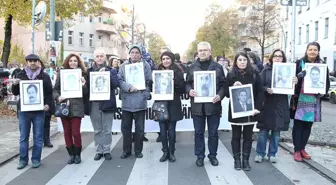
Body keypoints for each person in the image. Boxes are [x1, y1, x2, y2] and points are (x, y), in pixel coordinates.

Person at [186, 42, 226, 167]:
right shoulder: (192, 67)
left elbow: (224, 85)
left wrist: (220, 95)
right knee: (198, 132)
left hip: (213, 106)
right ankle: (200, 156)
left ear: (210, 51)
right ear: (197, 52)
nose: (202, 52)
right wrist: (189, 91)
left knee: (213, 133)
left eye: (205, 50)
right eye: (200, 50)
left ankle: (213, 155)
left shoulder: (218, 67)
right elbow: (186, 83)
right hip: (198, 106)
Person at [255, 49, 298, 163]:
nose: (278, 58)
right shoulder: (265, 71)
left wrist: (295, 81)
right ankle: (260, 153)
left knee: (276, 132)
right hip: (267, 104)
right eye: (275, 56)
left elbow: (292, 90)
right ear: (272, 58)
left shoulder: (288, 71)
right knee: (263, 131)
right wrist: (266, 89)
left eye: (280, 56)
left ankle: (272, 154)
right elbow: (258, 86)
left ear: (283, 58)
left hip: (280, 105)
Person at [12, 54, 53, 169]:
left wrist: (48, 105)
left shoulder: (44, 76)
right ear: (27, 62)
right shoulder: (20, 75)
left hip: (39, 111)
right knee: (23, 136)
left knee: (38, 136)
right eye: (30, 61)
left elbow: (50, 93)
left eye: (35, 60)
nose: (32, 62)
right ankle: (23, 160)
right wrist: (15, 85)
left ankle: (36, 159)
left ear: (38, 62)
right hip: (24, 111)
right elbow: (15, 93)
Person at [291, 42, 330, 162]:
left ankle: (302, 148)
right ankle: (297, 150)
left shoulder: (322, 65)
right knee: (298, 126)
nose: (312, 52)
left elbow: (326, 82)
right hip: (300, 99)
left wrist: (322, 92)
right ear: (306, 50)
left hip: (314, 100)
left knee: (308, 125)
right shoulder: (299, 63)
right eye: (310, 49)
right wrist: (297, 78)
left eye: (315, 50)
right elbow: (292, 79)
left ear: (318, 51)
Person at [226, 51, 264, 171]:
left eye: (244, 60)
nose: (242, 62)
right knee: (235, 136)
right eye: (239, 60)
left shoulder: (254, 74)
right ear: (235, 62)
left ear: (247, 61)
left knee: (248, 137)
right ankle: (237, 160)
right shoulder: (231, 74)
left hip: (250, 112)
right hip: (236, 111)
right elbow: (226, 93)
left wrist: (257, 108)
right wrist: (233, 86)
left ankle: (246, 161)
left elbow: (260, 92)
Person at [118, 45, 152, 159]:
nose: (134, 54)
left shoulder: (145, 65)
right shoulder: (123, 66)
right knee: (126, 128)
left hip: (140, 101)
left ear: (140, 54)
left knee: (140, 129)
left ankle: (138, 150)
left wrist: (145, 94)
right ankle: (126, 150)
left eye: (137, 52)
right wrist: (129, 87)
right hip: (127, 100)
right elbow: (119, 80)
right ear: (129, 54)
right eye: (132, 52)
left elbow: (149, 81)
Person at [53, 53, 88, 164]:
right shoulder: (62, 74)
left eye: (75, 61)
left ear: (78, 62)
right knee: (67, 132)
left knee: (76, 132)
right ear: (67, 62)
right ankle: (71, 155)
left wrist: (83, 85)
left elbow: (86, 94)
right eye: (71, 61)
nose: (73, 62)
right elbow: (55, 90)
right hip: (64, 106)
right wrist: (58, 97)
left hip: (77, 106)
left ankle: (78, 154)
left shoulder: (82, 74)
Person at [86, 49, 120, 161]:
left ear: (105, 58)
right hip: (94, 103)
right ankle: (99, 150)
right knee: (97, 130)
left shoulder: (112, 70)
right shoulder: (89, 71)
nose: (99, 58)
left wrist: (107, 74)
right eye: (97, 56)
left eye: (101, 56)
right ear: (94, 58)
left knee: (107, 129)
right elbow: (86, 89)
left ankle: (106, 150)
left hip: (107, 103)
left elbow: (115, 85)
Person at [156, 51, 185, 162]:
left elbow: (182, 89)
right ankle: (165, 152)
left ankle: (172, 152)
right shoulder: (157, 71)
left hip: (173, 104)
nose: (165, 61)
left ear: (172, 59)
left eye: (167, 58)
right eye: (163, 59)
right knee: (162, 131)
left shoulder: (177, 72)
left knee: (172, 130)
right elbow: (153, 85)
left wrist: (174, 82)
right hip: (161, 104)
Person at [37, 61, 55, 148]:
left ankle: (46, 140)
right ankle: (38, 140)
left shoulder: (46, 76)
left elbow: (50, 91)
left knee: (46, 122)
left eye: (39, 64)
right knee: (37, 124)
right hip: (34, 103)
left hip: (45, 102)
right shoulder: (29, 76)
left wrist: (48, 103)